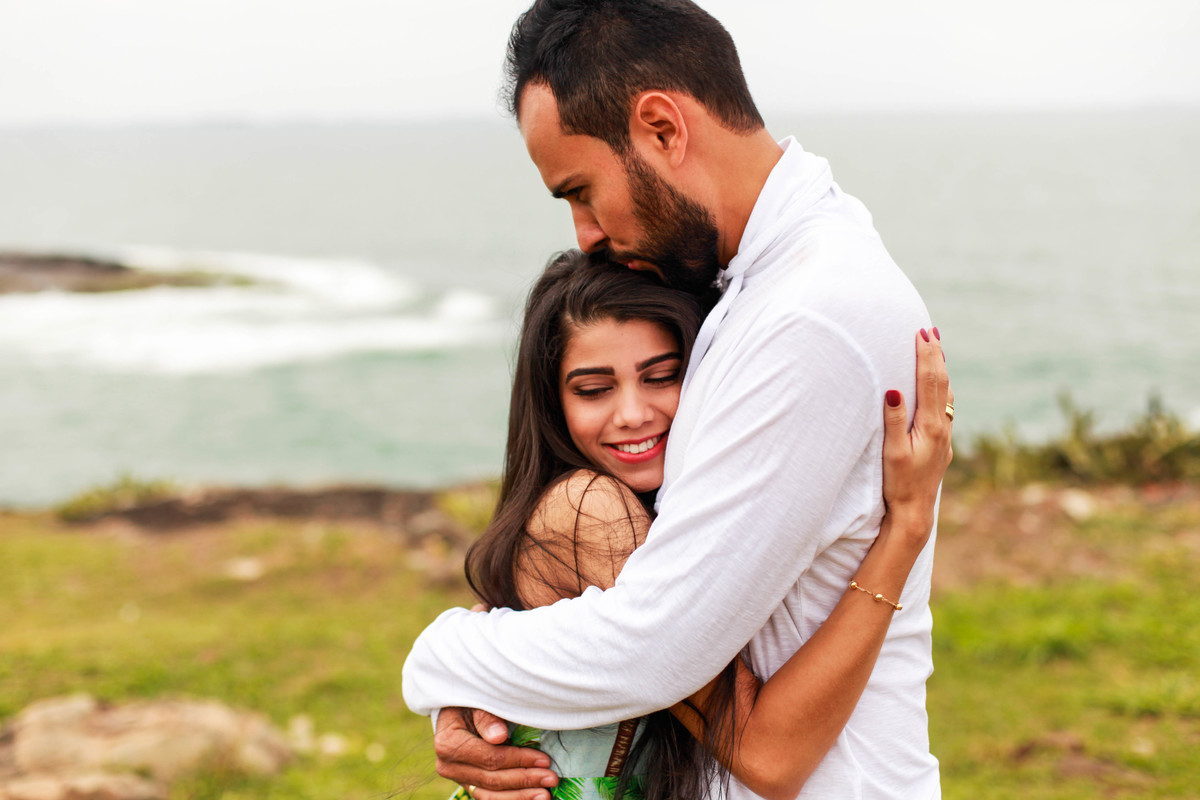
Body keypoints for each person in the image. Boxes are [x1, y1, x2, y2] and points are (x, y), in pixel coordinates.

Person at [403, 2, 950, 797]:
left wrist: (440, 657)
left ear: (662, 128)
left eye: (582, 190)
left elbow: (654, 647)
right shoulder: (773, 274)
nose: (585, 234)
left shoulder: (809, 314)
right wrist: (489, 690)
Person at [442, 250, 951, 800]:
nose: (633, 413)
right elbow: (768, 757)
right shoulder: (591, 509)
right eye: (593, 390)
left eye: (662, 377)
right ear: (553, 404)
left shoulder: (654, 511)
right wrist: (905, 528)